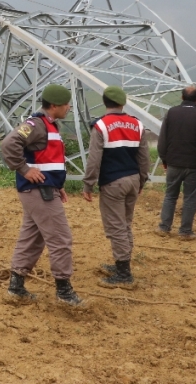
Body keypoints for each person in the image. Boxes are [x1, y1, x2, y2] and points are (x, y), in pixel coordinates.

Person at [0, 84, 83, 307]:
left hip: (45, 189)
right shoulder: (36, 124)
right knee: (60, 238)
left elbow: (48, 160)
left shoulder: (49, 126)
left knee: (32, 238)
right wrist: (24, 169)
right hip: (39, 192)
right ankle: (64, 293)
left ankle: (16, 288)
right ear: (54, 105)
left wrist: (58, 184)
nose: (68, 108)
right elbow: (9, 144)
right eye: (66, 105)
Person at [82, 86, 149, 289]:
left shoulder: (101, 126)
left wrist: (88, 184)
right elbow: (144, 157)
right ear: (123, 103)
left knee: (116, 226)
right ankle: (123, 264)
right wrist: (142, 181)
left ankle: (123, 273)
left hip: (113, 182)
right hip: (133, 179)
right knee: (125, 224)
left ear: (105, 102)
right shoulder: (137, 124)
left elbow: (94, 159)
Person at [157, 86, 196, 240]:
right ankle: (185, 231)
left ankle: (164, 227)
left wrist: (164, 159)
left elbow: (162, 139)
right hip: (195, 164)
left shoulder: (171, 113)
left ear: (182, 98)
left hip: (174, 162)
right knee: (190, 198)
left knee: (170, 195)